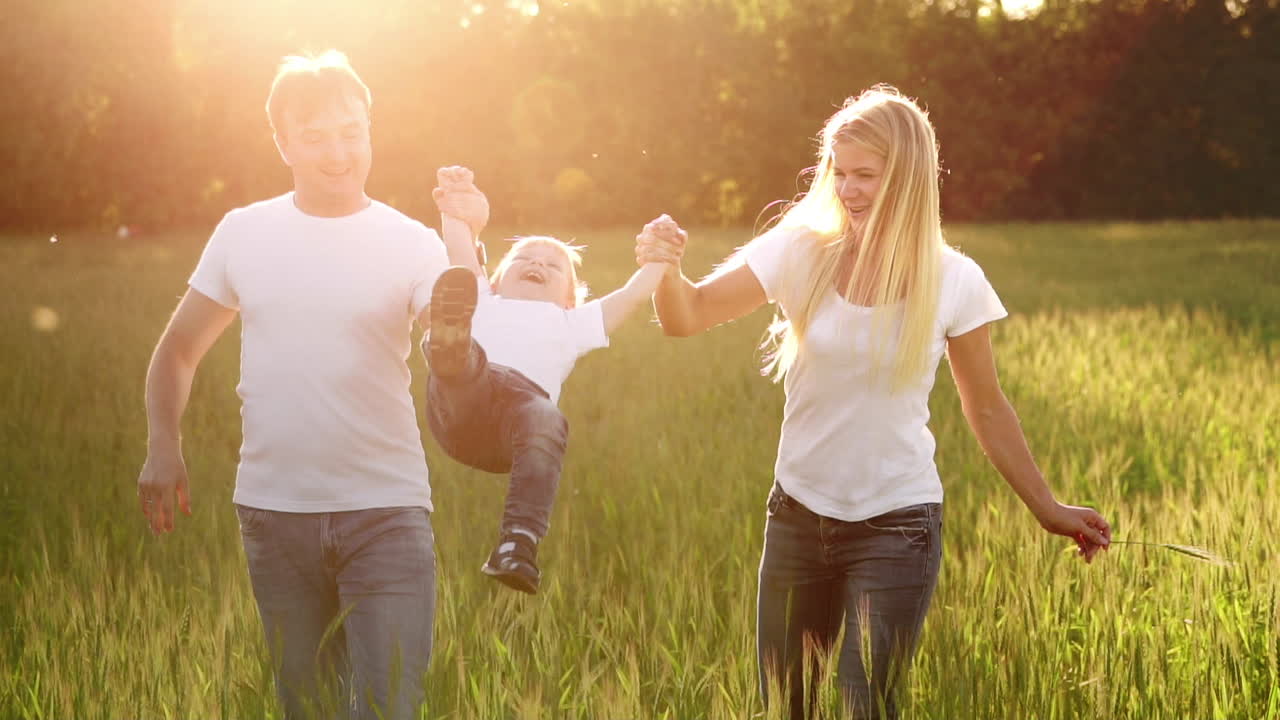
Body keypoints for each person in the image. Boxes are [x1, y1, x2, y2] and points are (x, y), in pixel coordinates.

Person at [635, 85, 1112, 720]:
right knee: (784, 707)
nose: (847, 189)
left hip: (898, 526)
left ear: (908, 178)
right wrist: (666, 271)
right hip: (797, 517)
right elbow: (687, 317)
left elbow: (987, 408)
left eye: (865, 175)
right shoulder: (800, 250)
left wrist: (1048, 508)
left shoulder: (955, 280)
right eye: (839, 172)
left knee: (866, 706)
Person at [136, 50, 448, 720]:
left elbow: (450, 342)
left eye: (351, 132)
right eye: (314, 137)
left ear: (370, 130)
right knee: (306, 709)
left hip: (386, 513)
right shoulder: (244, 232)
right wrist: (164, 444)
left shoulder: (414, 242)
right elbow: (178, 350)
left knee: (390, 708)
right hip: (274, 517)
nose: (338, 153)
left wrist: (464, 255)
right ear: (282, 144)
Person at [424, 166, 667, 594]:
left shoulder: (572, 323)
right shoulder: (482, 297)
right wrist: (454, 203)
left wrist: (661, 258)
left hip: (515, 426)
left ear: (571, 298)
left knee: (547, 416)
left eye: (553, 266)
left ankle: (518, 544)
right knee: (468, 359)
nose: (537, 262)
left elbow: (632, 294)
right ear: (494, 279)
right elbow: (459, 245)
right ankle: (448, 345)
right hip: (463, 401)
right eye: (522, 259)